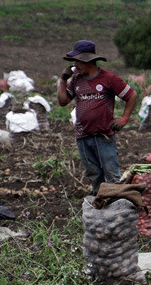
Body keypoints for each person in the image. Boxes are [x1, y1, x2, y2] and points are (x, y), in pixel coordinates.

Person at [56, 40, 138, 195]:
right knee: (94, 175)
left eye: (77, 61)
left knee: (112, 174)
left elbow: (131, 95)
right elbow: (63, 101)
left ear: (88, 60)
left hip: (103, 136)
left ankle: (117, 204)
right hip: (83, 137)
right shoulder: (76, 80)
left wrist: (124, 118)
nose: (75, 65)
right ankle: (99, 202)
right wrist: (63, 80)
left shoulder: (108, 78)